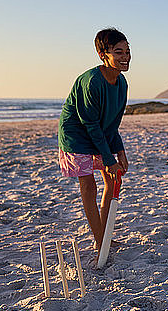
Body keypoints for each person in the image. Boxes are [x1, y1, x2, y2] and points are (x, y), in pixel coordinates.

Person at [57, 28, 130, 254]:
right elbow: (91, 124)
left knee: (112, 179)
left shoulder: (122, 83)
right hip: (77, 135)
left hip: (99, 132)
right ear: (102, 54)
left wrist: (120, 151)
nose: (125, 57)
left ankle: (105, 236)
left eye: (128, 52)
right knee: (89, 186)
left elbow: (111, 122)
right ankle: (101, 241)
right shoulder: (91, 82)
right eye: (118, 52)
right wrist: (108, 158)